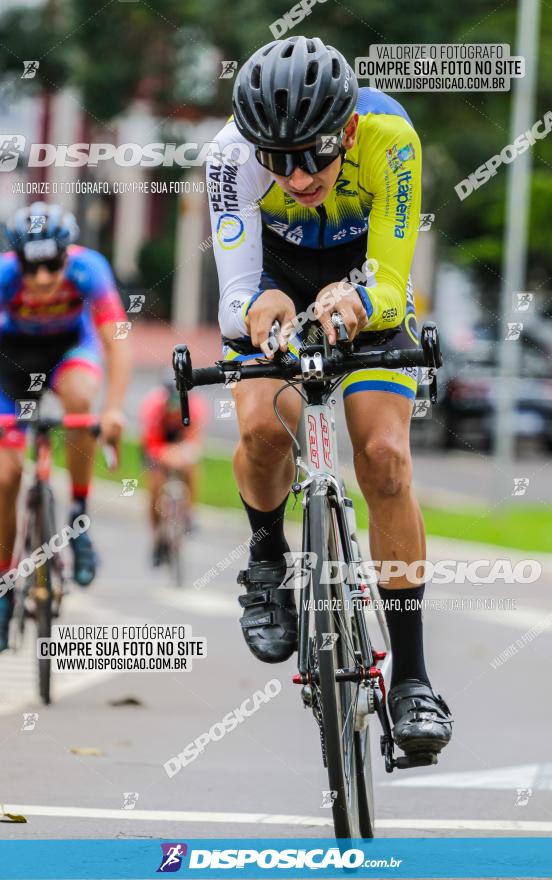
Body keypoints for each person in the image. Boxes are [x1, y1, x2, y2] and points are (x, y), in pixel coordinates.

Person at [205, 36, 452, 758]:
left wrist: (356, 298)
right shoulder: (227, 155)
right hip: (270, 282)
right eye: (277, 160)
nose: (299, 174)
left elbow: (392, 277)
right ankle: (264, 560)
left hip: (363, 282)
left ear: (344, 129)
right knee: (261, 433)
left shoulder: (388, 137)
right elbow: (234, 296)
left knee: (383, 457)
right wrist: (260, 305)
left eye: (314, 153)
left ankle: (410, 677)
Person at [0, 202, 131, 652]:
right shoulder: (0, 278)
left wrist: (115, 409)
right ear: (17, 260)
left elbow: (116, 340)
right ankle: (5, 587)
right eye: (33, 266)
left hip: (70, 351)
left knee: (82, 400)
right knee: (6, 475)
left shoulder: (90, 269)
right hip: (12, 361)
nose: (44, 278)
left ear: (68, 255)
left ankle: (78, 518)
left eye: (53, 265)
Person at [139, 374, 207, 566]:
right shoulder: (152, 407)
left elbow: (195, 440)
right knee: (155, 484)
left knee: (191, 468)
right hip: (158, 444)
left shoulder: (195, 406)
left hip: (180, 442)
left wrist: (182, 454)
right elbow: (151, 443)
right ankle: (156, 537)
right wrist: (167, 455)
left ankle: (190, 513)